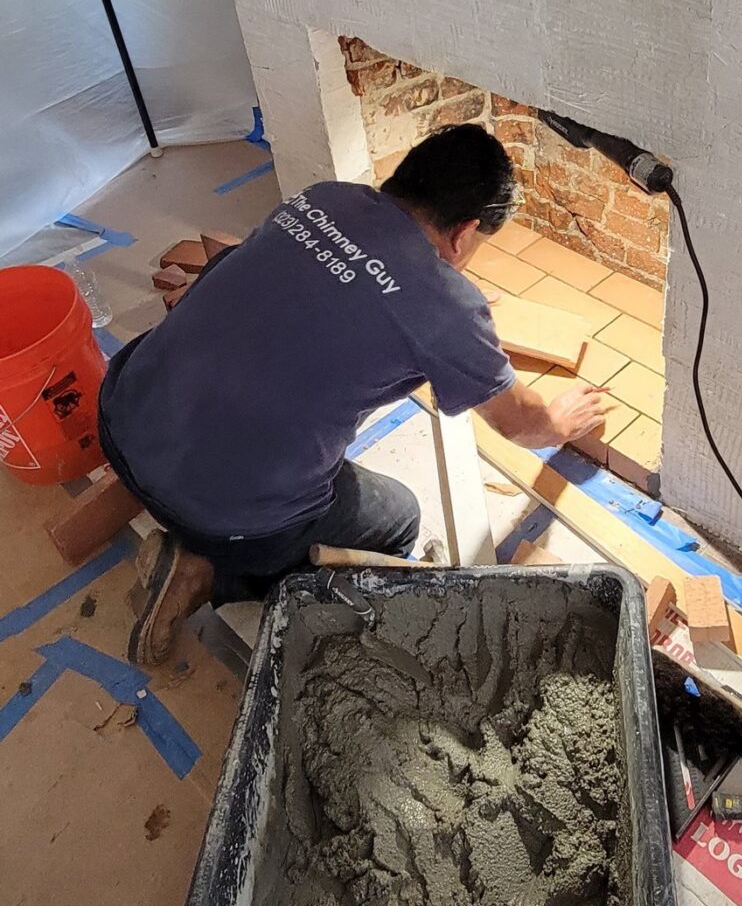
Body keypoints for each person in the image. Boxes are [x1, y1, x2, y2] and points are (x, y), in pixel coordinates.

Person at [98, 124, 608, 665]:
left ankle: (196, 533)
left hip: (120, 420)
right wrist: (559, 420)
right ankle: (207, 573)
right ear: (464, 233)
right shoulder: (445, 304)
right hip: (228, 515)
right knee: (399, 516)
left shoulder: (322, 199)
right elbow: (517, 424)